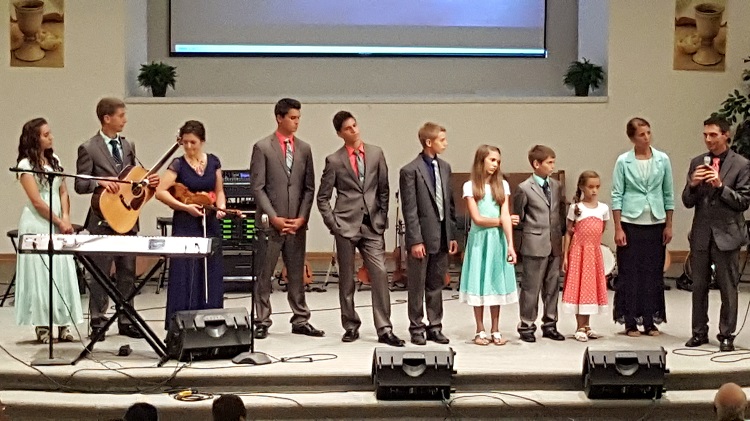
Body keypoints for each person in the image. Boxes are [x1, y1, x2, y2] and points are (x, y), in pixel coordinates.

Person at [317, 111, 405, 347]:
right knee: (346, 279)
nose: (354, 130)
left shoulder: (376, 153)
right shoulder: (334, 160)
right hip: (345, 225)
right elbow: (322, 197)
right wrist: (333, 224)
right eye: (348, 128)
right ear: (339, 133)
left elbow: (384, 188)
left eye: (355, 125)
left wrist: (382, 216)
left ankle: (384, 328)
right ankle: (350, 324)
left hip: (372, 224)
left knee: (379, 275)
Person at [75, 97, 160, 340]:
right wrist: (99, 182)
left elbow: (134, 179)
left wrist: (148, 182)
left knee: (127, 272)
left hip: (127, 218)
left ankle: (126, 317)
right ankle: (98, 321)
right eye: (121, 115)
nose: (125, 120)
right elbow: (79, 183)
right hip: (102, 219)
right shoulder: (89, 148)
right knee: (100, 272)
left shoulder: (128, 145)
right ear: (107, 118)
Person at [250, 98, 323, 340]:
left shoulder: (304, 148)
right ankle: (261, 319)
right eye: (292, 118)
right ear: (279, 118)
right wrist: (273, 217)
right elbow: (258, 187)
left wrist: (302, 217)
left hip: (296, 223)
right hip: (272, 223)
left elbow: (309, 187)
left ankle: (300, 318)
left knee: (296, 273)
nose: (296, 122)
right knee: (264, 274)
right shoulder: (263, 147)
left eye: (299, 118)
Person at [682, 116, 750, 352]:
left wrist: (721, 187)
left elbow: (743, 202)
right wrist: (692, 184)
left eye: (713, 135)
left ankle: (726, 334)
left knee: (727, 288)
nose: (708, 139)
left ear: (726, 135)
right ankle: (699, 332)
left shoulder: (741, 164)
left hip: (727, 235)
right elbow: (687, 202)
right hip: (701, 234)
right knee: (698, 286)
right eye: (705, 135)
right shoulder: (697, 162)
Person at [14, 118, 83, 343]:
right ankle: (42, 326)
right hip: (38, 222)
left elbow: (63, 191)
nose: (51, 137)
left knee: (62, 271)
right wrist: (56, 220)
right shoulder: (25, 165)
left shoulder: (55, 161)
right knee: (41, 275)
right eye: (46, 135)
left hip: (58, 222)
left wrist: (66, 219)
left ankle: (64, 325)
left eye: (50, 133)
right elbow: (36, 201)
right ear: (35, 139)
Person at [155, 120, 225, 329]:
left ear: (202, 141)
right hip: (186, 223)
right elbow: (160, 191)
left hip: (209, 222)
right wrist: (185, 207)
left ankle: (211, 322)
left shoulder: (213, 162)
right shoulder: (178, 164)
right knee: (185, 272)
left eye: (193, 142)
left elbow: (219, 190)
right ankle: (181, 324)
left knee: (209, 271)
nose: (188, 147)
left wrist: (220, 207)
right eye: (185, 142)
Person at [611, 117, 674, 337]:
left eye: (648, 133)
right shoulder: (623, 161)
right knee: (630, 273)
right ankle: (630, 320)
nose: (646, 138)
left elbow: (668, 194)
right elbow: (617, 195)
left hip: (655, 223)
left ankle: (650, 320)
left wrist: (669, 224)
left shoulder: (662, 159)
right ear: (632, 138)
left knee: (652, 273)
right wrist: (618, 227)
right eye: (641, 134)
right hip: (630, 222)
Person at [399, 122, 458, 345]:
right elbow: (410, 209)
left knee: (436, 283)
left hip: (441, 235)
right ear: (429, 142)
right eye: (442, 140)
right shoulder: (410, 170)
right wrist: (415, 240)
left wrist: (451, 235)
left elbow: (449, 204)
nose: (446, 143)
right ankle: (416, 326)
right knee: (417, 285)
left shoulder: (445, 167)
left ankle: (435, 325)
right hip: (422, 237)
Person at [459, 145, 518, 346]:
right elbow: (478, 219)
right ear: (481, 160)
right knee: (479, 281)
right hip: (479, 241)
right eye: (492, 160)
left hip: (498, 240)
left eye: (498, 161)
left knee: (495, 282)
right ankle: (479, 329)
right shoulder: (470, 187)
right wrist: (504, 221)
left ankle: (495, 328)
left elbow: (504, 213)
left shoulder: (503, 186)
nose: (495, 165)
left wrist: (510, 244)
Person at [513, 145, 565, 343]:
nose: (553, 166)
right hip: (534, 243)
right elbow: (519, 216)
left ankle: (550, 323)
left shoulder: (556, 185)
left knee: (552, 286)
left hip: (554, 242)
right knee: (531, 287)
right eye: (549, 162)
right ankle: (526, 324)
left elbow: (558, 213)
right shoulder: (524, 188)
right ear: (536, 164)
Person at [562, 171, 610, 341]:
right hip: (578, 252)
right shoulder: (576, 208)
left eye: (597, 187)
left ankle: (587, 325)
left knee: (590, 288)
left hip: (593, 254)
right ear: (582, 187)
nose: (594, 190)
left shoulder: (603, 209)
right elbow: (568, 233)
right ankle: (579, 326)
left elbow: (601, 229)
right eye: (590, 187)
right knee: (579, 287)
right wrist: (566, 256)